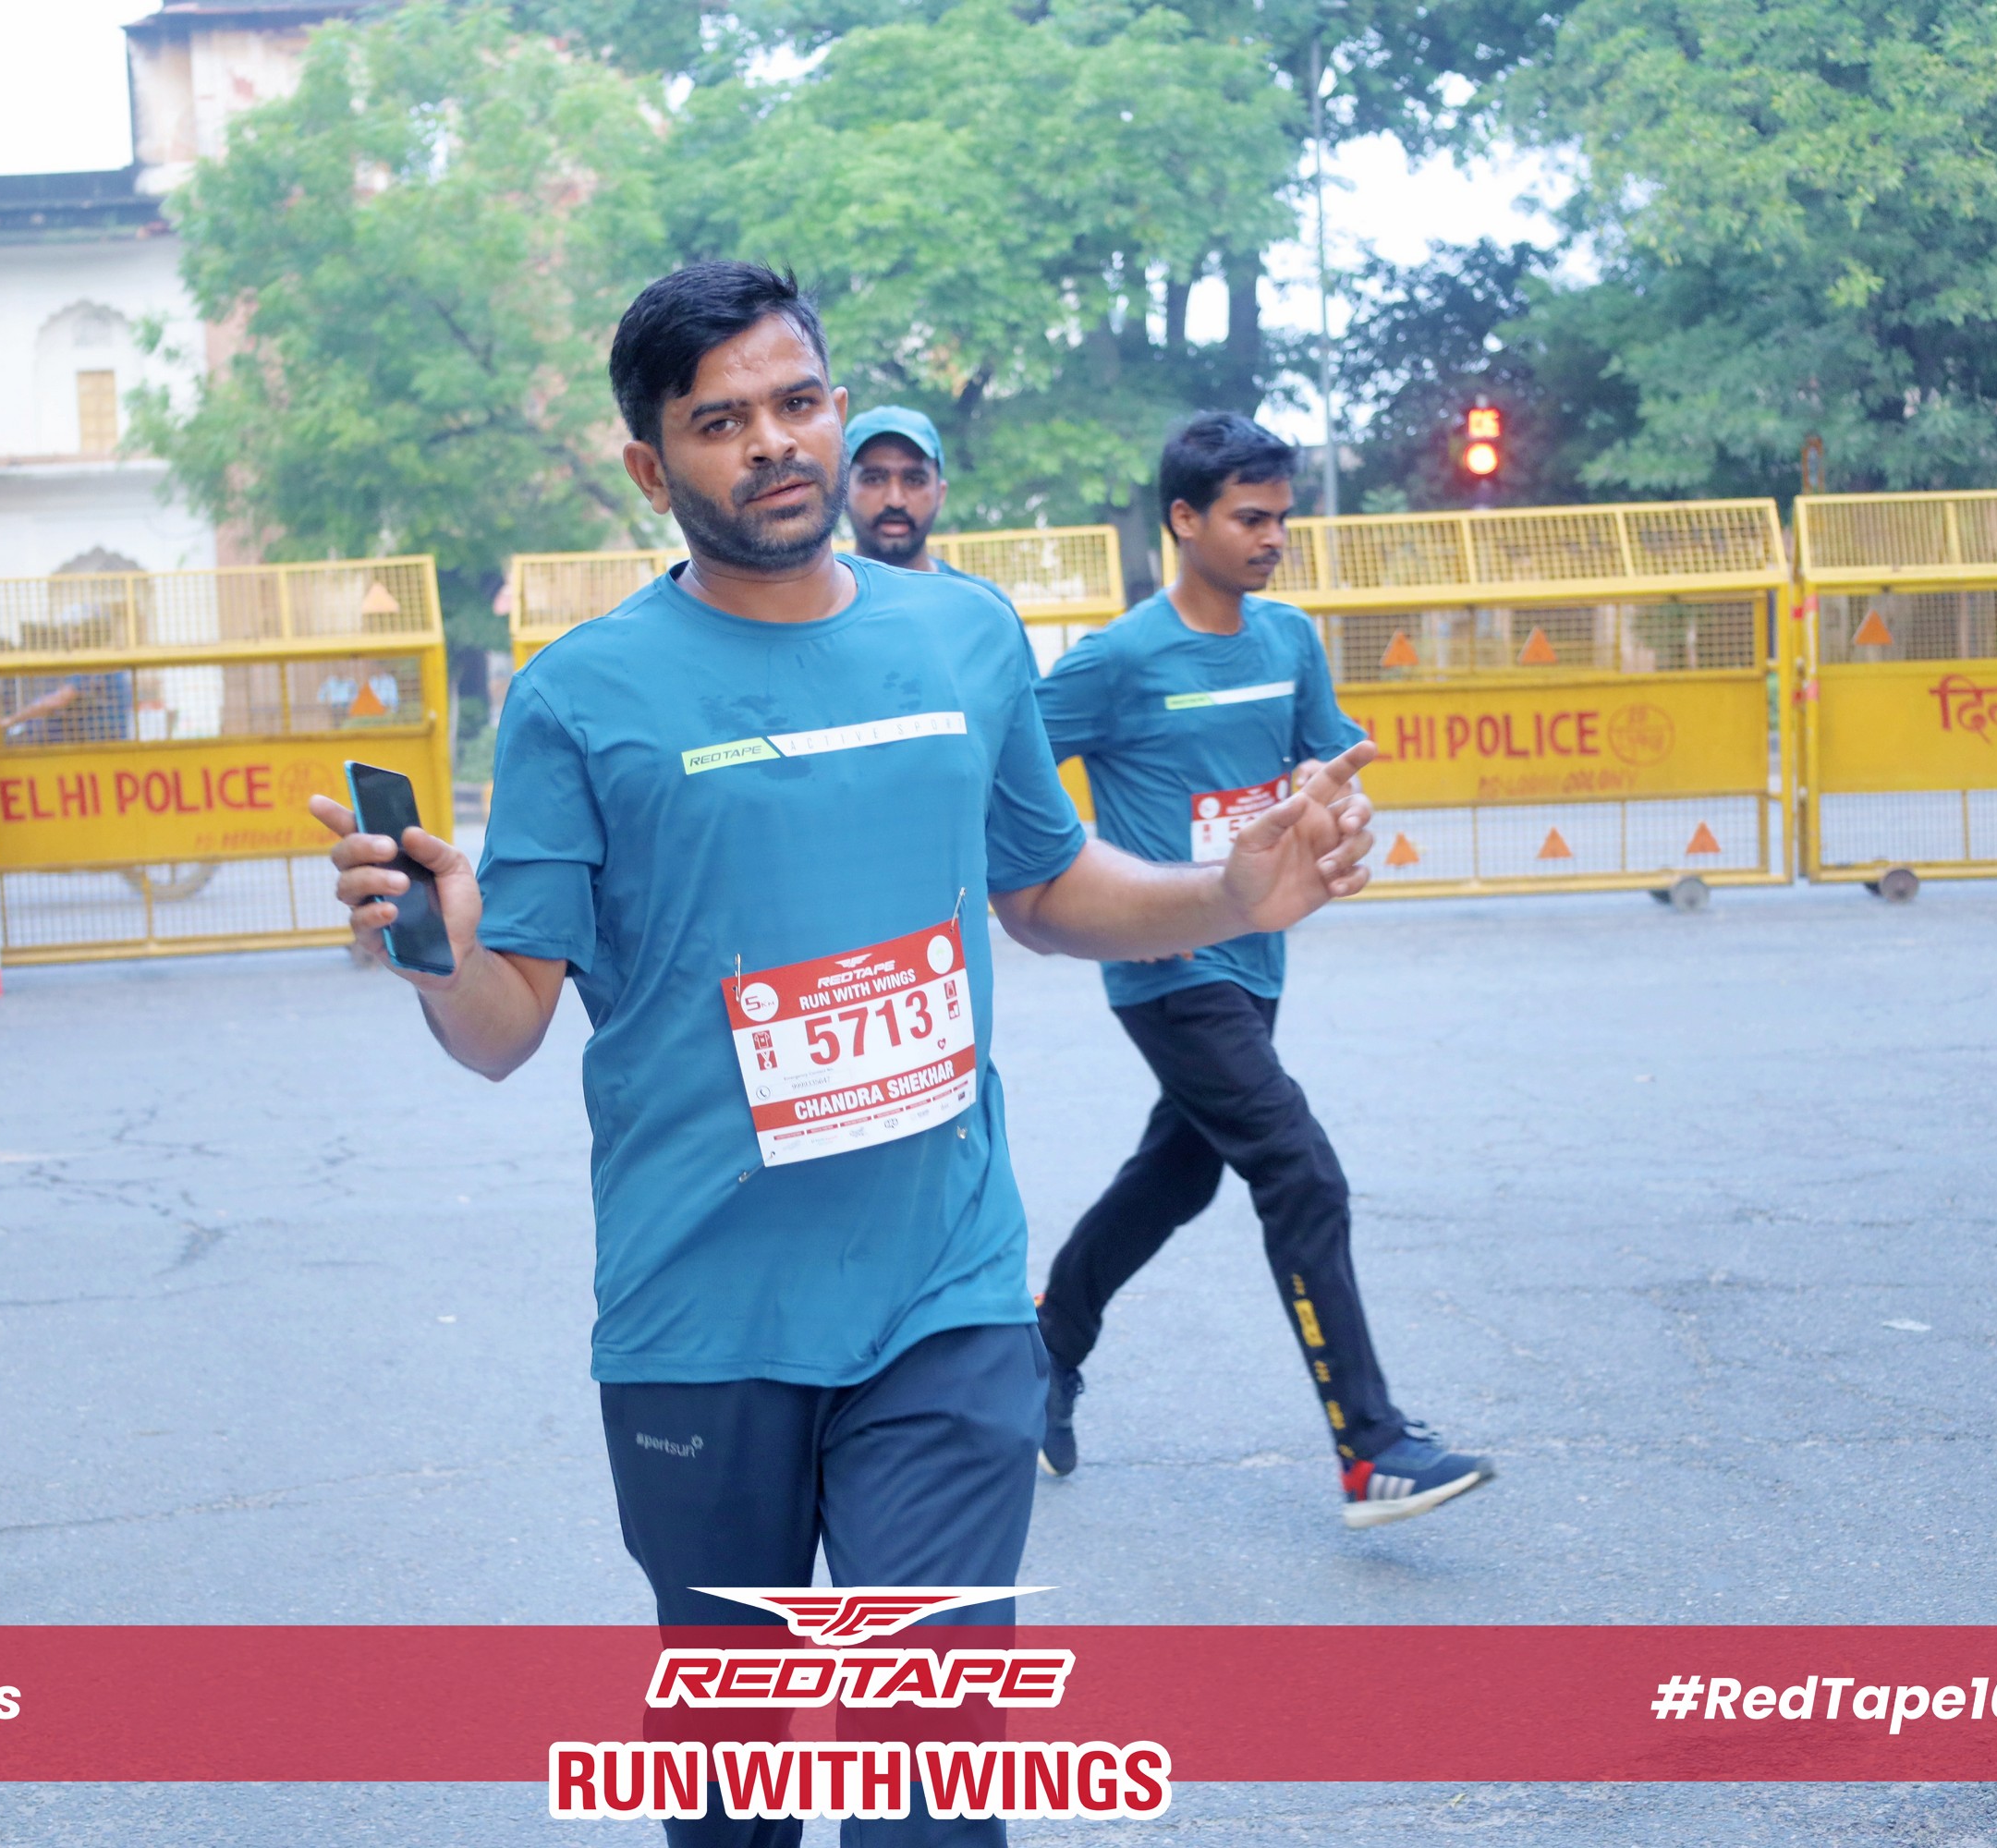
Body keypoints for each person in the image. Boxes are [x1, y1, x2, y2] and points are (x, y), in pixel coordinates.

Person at [312, 266, 1377, 1846]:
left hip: (943, 1298)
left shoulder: (963, 636)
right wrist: (435, 945)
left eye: (798, 402)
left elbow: (1045, 887)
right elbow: (499, 1029)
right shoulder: (581, 697)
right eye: (719, 421)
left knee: (933, 1782)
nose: (774, 443)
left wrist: (1227, 893)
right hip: (702, 1321)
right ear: (650, 467)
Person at [1029, 411, 1493, 1530]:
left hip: (1257, 957)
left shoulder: (1288, 640)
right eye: (1250, 517)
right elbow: (1010, 776)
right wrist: (1107, 891)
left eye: (1282, 517)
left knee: (1179, 1174)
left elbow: (1326, 766)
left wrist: (1341, 808)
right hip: (1166, 965)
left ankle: (1043, 1345)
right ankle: (1370, 1446)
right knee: (1300, 1169)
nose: (1273, 536)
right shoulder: (1119, 659)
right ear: (1184, 519)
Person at [843, 406, 1005, 605]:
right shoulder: (813, 604)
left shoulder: (983, 606)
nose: (895, 500)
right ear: (841, 492)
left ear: (940, 494)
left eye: (914, 480)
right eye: (874, 479)